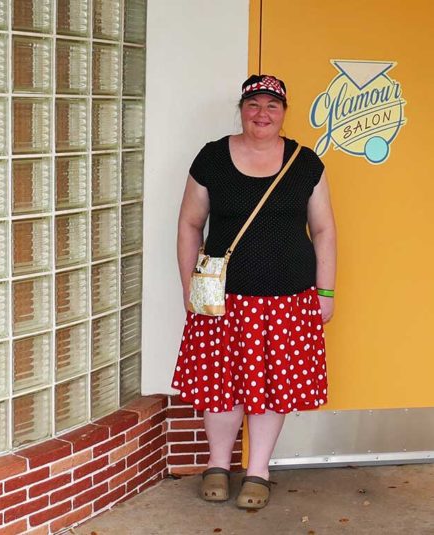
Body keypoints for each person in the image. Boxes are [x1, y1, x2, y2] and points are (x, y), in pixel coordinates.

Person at [172, 74, 337, 509]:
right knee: (220, 386)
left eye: (272, 106)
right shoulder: (211, 158)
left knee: (273, 386)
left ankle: (259, 470)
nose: (262, 114)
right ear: (242, 109)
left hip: (289, 300)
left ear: (283, 113)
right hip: (222, 301)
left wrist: (327, 291)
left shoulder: (305, 163)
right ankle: (218, 464)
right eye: (253, 104)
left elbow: (323, 230)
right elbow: (190, 224)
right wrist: (191, 286)